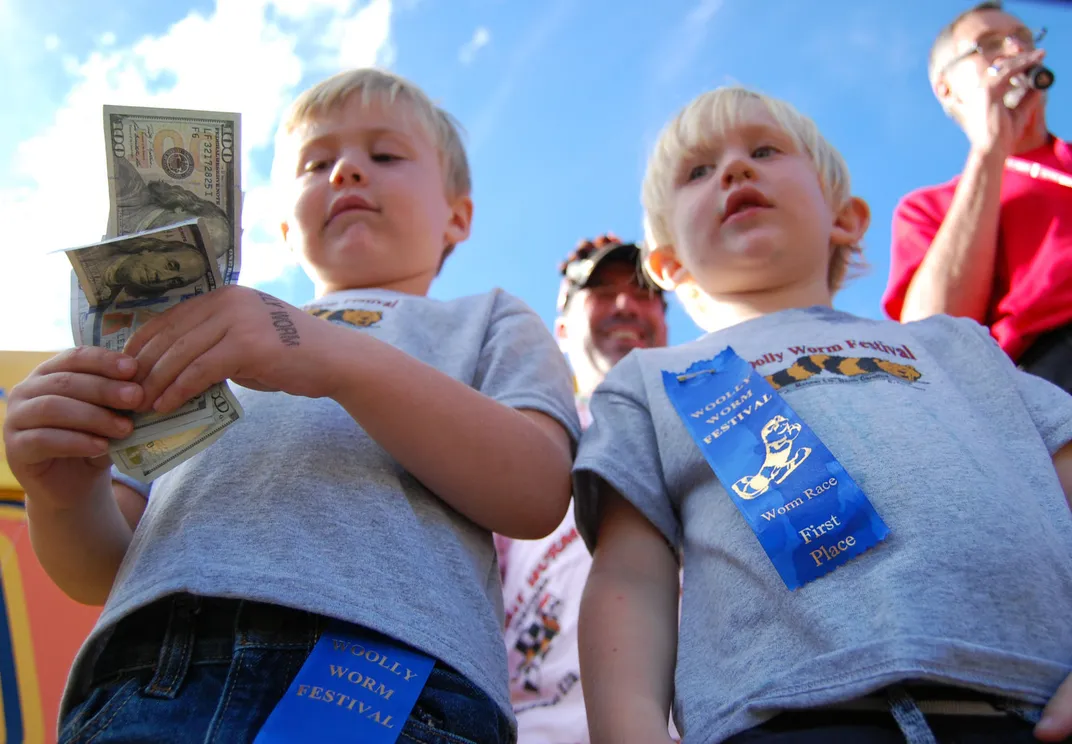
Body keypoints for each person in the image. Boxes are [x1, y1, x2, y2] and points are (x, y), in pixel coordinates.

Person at [3, 68, 581, 744]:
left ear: (458, 215)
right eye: (317, 163)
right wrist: (65, 496)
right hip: (152, 670)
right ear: (281, 225)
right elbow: (103, 567)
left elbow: (538, 490)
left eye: (384, 155)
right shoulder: (207, 333)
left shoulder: (491, 319)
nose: (345, 174)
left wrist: (327, 354)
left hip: (394, 676)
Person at [572, 85, 1072, 744]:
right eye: (698, 171)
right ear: (668, 264)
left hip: (1033, 699)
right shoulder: (652, 381)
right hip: (789, 717)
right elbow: (631, 577)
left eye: (764, 150)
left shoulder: (957, 345)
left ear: (845, 216)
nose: (734, 169)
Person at [495, 233, 667, 743]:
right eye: (601, 291)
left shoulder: (719, 416)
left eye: (644, 292)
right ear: (562, 327)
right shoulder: (523, 443)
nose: (625, 305)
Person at [883, 1, 1072, 393]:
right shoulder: (930, 207)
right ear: (947, 88)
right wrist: (990, 149)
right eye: (989, 44)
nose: (1016, 50)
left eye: (1023, 37)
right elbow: (931, 334)